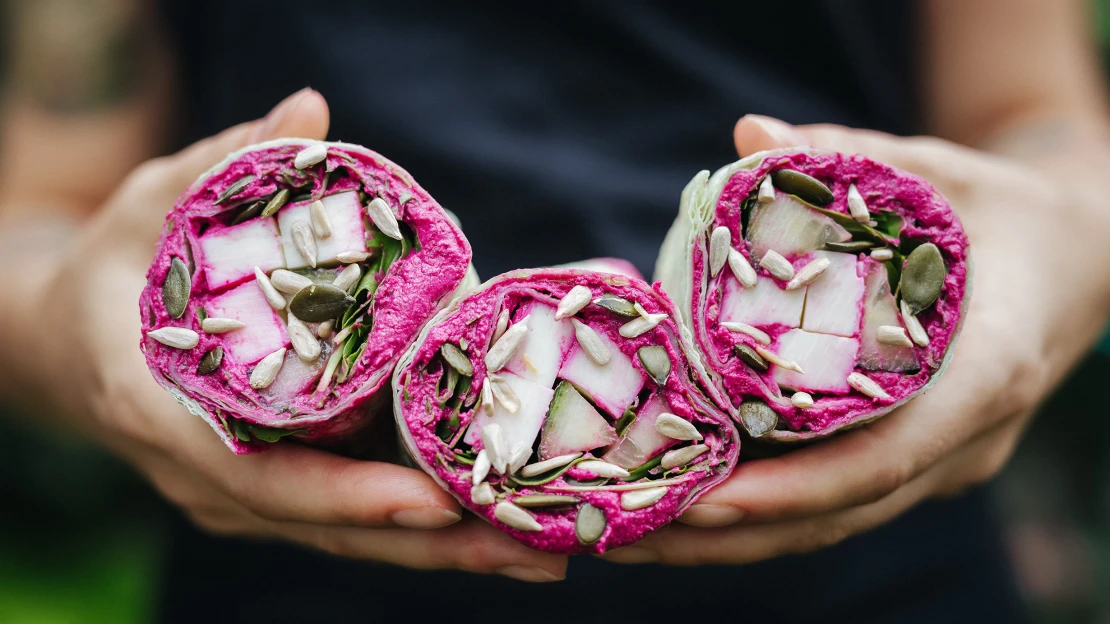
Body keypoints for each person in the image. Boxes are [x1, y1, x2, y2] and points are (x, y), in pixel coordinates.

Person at [1, 0, 1107, 621]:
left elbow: (1038, 118)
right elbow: (39, 207)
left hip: (882, 581)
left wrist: (1053, 266)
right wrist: (68, 332)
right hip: (297, 589)